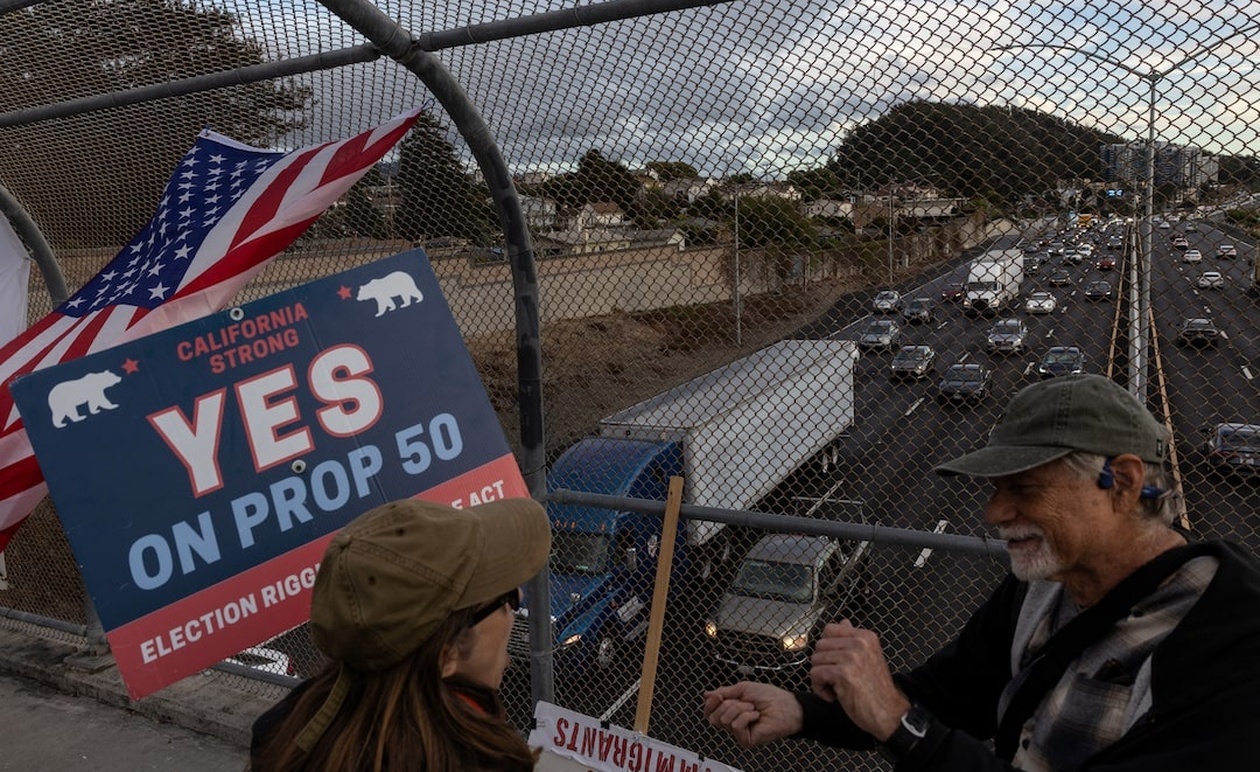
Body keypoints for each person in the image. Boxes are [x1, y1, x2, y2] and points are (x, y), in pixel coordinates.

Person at [704, 374, 1260, 770]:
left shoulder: (1228, 644)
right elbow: (947, 695)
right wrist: (802, 712)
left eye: (1023, 488)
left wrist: (900, 725)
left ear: (1124, 482)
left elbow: (906, 716)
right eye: (996, 489)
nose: (994, 513)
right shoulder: (1041, 588)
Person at [250, 496, 551, 772]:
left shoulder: (287, 727)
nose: (521, 598)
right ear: (446, 655)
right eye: (505, 598)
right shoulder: (481, 762)